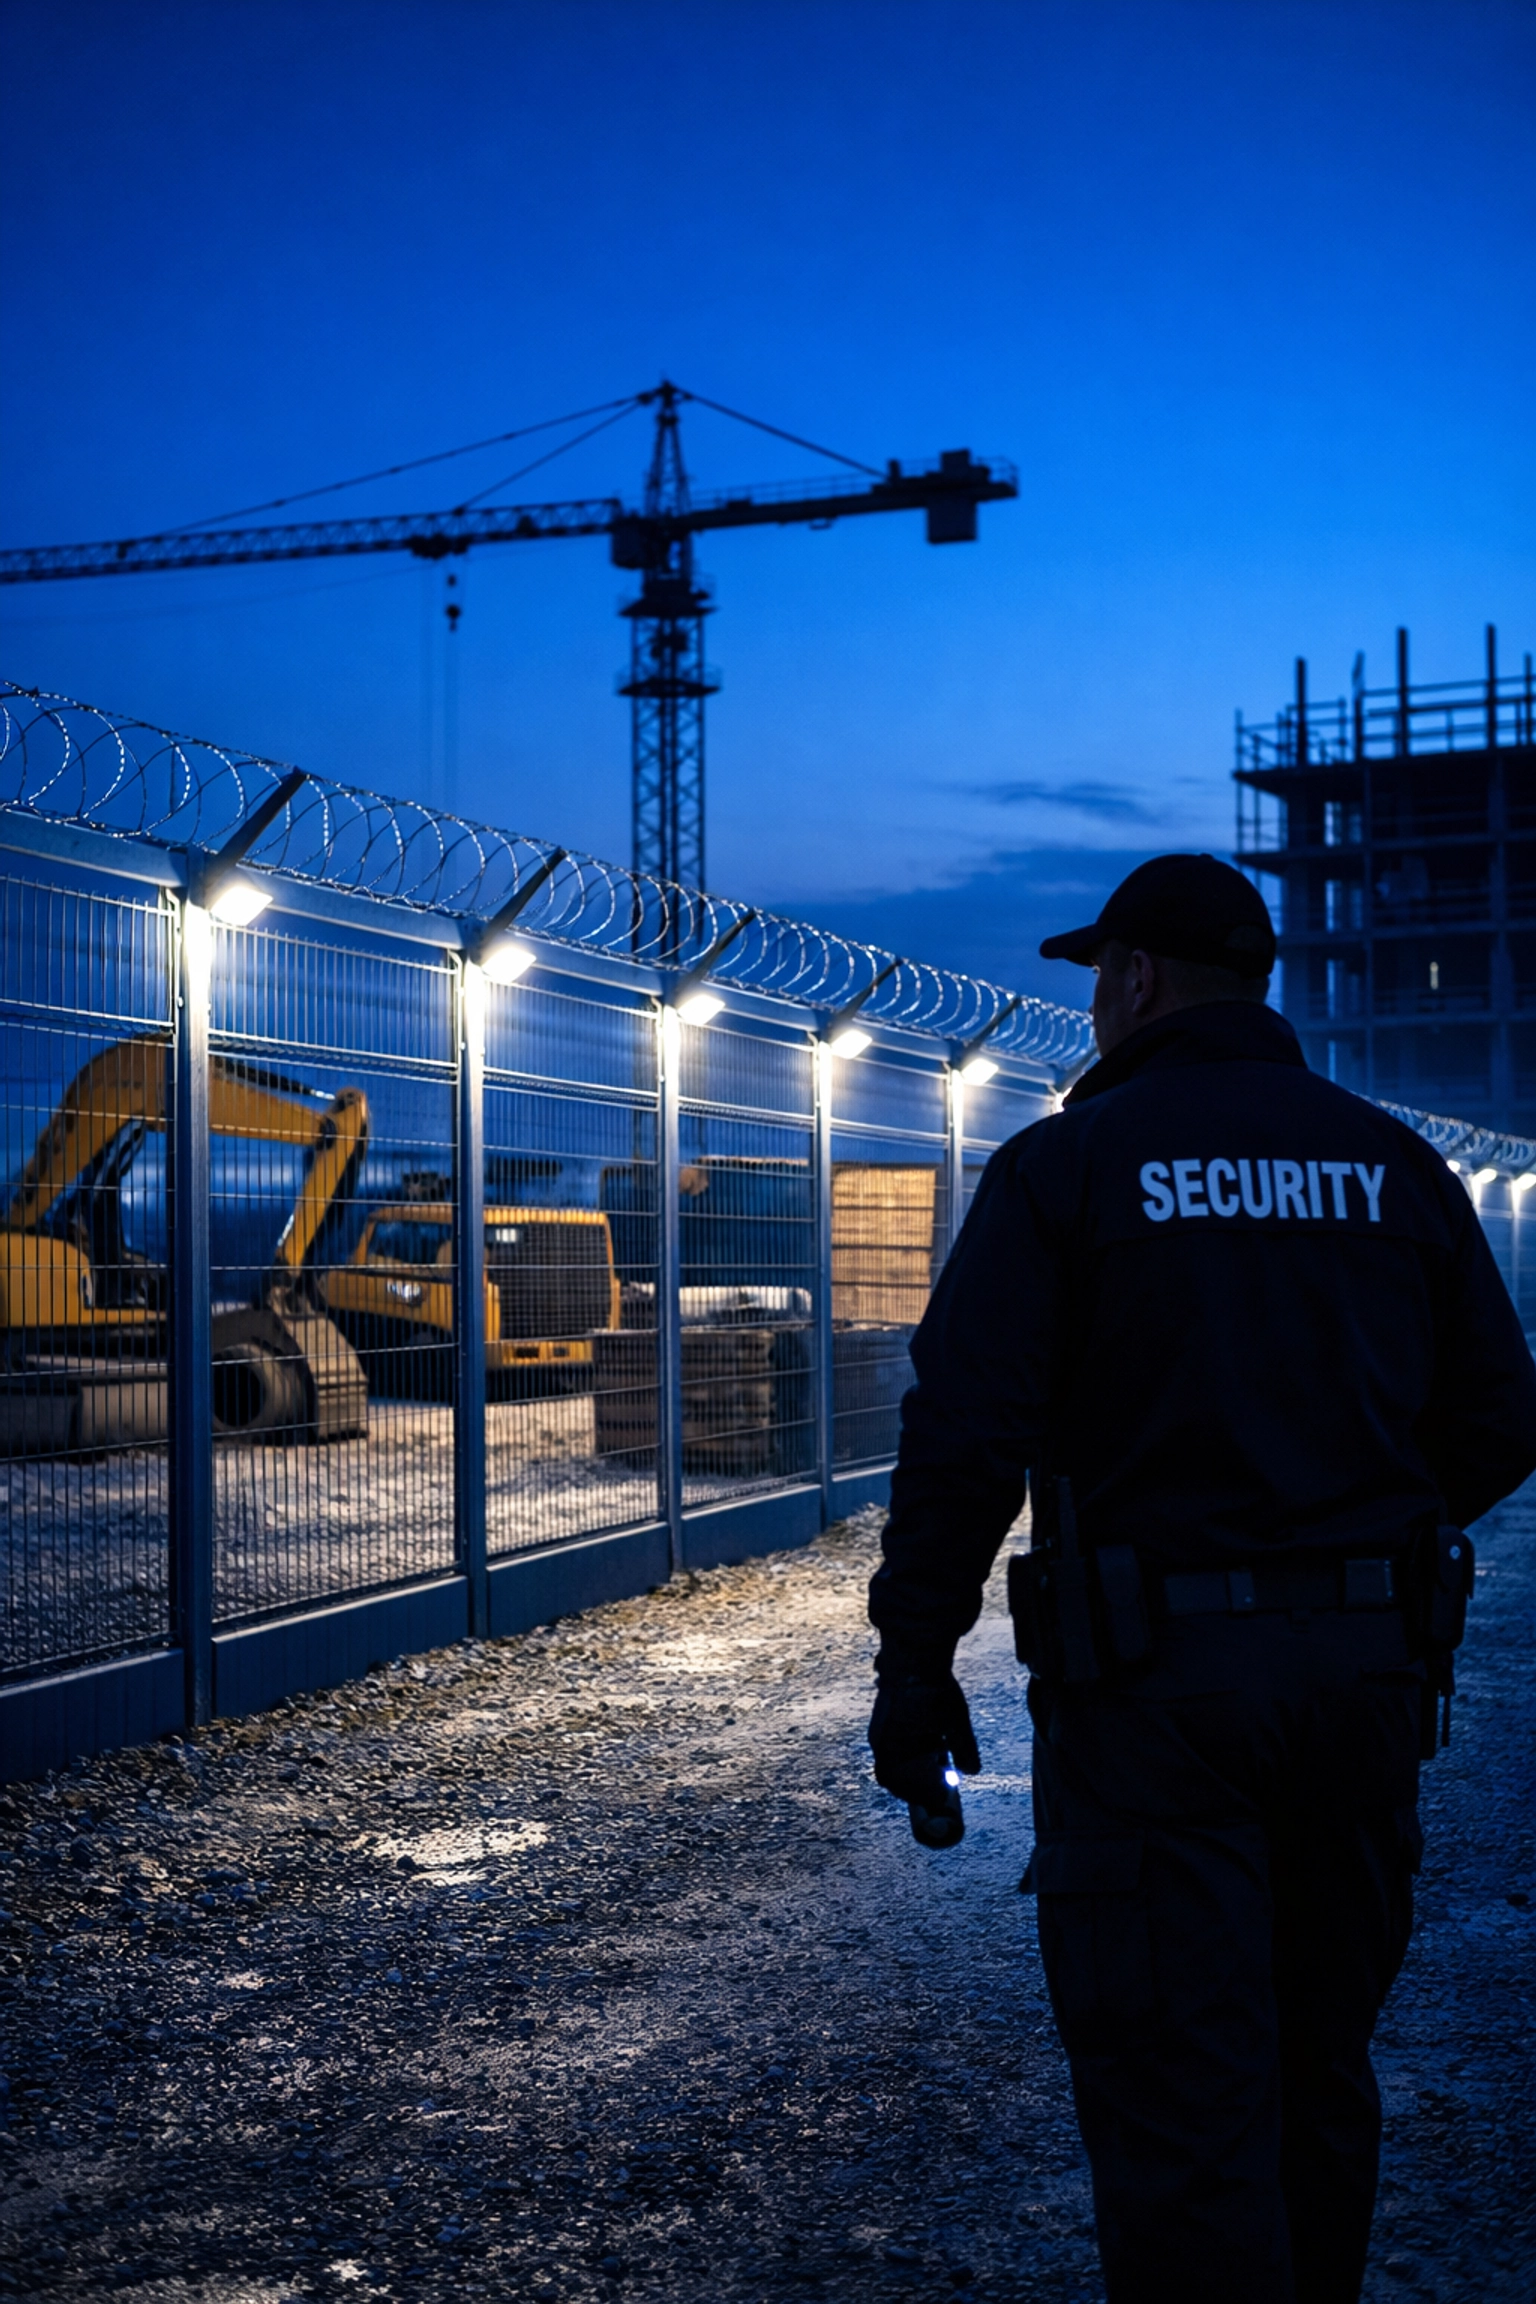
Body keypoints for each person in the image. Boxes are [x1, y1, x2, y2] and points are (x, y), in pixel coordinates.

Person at [866, 853, 1536, 2304]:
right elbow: (1501, 1416)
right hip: (1362, 1685)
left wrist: (914, 1664)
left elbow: (966, 1436)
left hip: (1153, 1695)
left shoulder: (1073, 1167)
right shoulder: (1392, 1166)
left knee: (1181, 2099)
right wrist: (1360, 1530)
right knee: (1317, 2066)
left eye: (1101, 977)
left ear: (1139, 979)